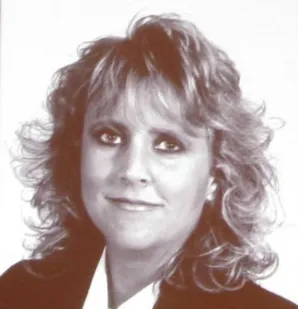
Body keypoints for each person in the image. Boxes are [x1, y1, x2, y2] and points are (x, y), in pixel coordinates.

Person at [0, 13, 297, 309]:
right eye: (109, 136)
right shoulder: (17, 291)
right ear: (76, 151)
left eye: (169, 144)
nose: (132, 170)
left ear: (217, 172)